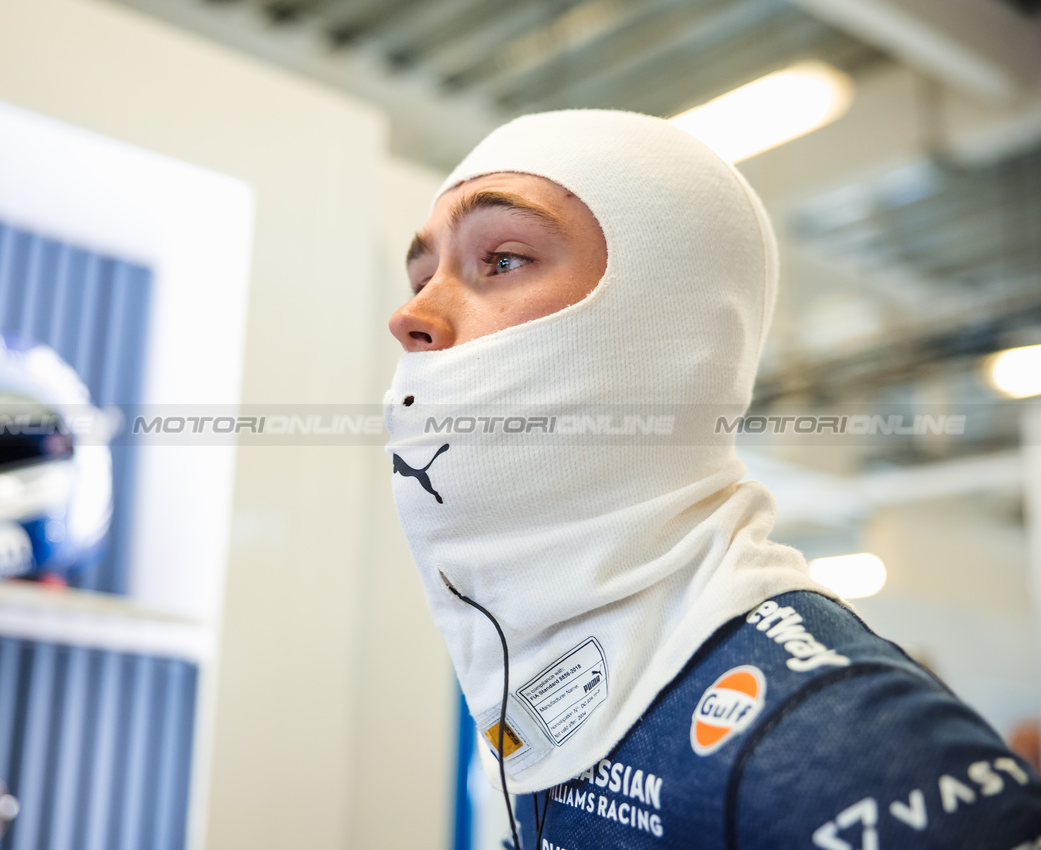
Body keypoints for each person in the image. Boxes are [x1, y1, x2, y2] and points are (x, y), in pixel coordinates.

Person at [382, 110, 1041, 849]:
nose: (410, 314)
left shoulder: (845, 748)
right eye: (420, 273)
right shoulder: (536, 703)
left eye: (501, 259)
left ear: (670, 325)